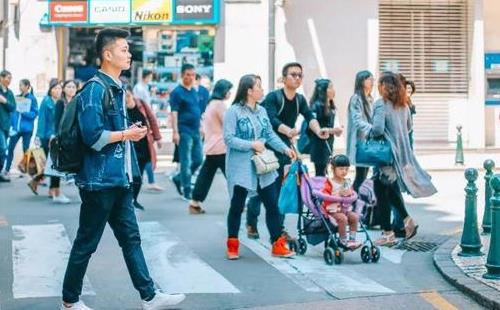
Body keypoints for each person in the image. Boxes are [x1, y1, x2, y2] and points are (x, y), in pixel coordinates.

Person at [60, 28, 185, 310]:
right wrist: (126, 134)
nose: (129, 54)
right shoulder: (94, 89)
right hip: (99, 182)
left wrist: (129, 131)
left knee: (131, 238)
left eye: (129, 50)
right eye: (124, 50)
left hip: (120, 179)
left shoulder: (118, 88)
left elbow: (112, 132)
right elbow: (93, 137)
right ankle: (69, 301)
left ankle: (149, 296)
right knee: (87, 242)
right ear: (107, 54)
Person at [245, 62, 328, 239]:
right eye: (293, 74)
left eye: (300, 75)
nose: (297, 78)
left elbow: (309, 116)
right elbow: (270, 120)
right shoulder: (274, 97)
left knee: (279, 190)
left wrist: (319, 130)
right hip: (266, 148)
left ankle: (279, 230)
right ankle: (251, 222)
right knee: (262, 190)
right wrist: (287, 131)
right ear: (283, 78)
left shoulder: (300, 100)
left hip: (285, 151)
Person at [224, 74, 296, 260]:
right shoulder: (234, 111)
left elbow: (270, 134)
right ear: (249, 91)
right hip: (242, 167)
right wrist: (251, 145)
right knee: (237, 206)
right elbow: (229, 138)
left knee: (273, 204)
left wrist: (285, 149)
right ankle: (232, 243)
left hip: (264, 167)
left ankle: (277, 244)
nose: (262, 90)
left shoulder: (262, 111)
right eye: (259, 86)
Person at [371, 72, 437, 246]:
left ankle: (388, 234)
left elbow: (377, 130)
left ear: (383, 87)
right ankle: (407, 222)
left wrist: (370, 130)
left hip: (385, 155)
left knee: (381, 192)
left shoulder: (380, 104)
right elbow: (408, 128)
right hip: (401, 154)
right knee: (390, 190)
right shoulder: (404, 105)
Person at [188, 79, 232, 214]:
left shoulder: (210, 104)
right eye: (228, 90)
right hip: (221, 147)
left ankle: (195, 202)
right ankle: (239, 202)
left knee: (205, 175)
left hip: (211, 146)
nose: (230, 93)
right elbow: (228, 124)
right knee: (233, 175)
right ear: (223, 91)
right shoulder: (219, 105)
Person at [125, 85, 162, 211]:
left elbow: (152, 119)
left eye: (128, 95)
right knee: (134, 175)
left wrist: (157, 137)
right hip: (131, 145)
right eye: (123, 95)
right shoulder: (120, 108)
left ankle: (134, 199)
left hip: (145, 143)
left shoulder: (141, 103)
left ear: (132, 94)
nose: (126, 98)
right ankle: (129, 201)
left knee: (140, 175)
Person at [170, 63, 204, 201]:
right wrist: (175, 132)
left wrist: (201, 126)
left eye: (193, 75)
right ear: (182, 75)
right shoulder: (177, 92)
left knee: (198, 159)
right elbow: (174, 113)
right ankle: (187, 189)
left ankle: (179, 178)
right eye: (188, 75)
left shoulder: (194, 92)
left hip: (196, 130)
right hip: (184, 131)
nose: (190, 77)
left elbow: (197, 112)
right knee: (185, 161)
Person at [321, 154, 361, 249]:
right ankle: (342, 239)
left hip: (345, 209)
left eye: (346, 169)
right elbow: (324, 195)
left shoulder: (346, 182)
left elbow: (351, 193)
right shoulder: (329, 182)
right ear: (333, 169)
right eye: (341, 169)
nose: (344, 171)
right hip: (333, 211)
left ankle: (352, 239)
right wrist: (337, 195)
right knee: (342, 218)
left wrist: (350, 193)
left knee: (354, 217)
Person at [133, 69, 164, 192]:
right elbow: (145, 107)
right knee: (146, 157)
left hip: (145, 123)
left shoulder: (143, 87)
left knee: (147, 157)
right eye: (150, 76)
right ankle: (150, 181)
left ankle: (151, 181)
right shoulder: (139, 89)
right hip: (142, 124)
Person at [346, 70, 375, 193]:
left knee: (363, 176)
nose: (372, 81)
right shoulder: (356, 99)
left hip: (368, 143)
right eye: (369, 79)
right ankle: (353, 204)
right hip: (360, 143)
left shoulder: (370, 98)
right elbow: (357, 121)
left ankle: (356, 204)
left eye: (373, 79)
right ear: (362, 81)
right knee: (360, 177)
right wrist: (373, 129)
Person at [308, 79, 343, 176]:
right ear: (323, 90)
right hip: (319, 146)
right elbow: (311, 126)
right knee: (320, 174)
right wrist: (332, 130)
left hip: (328, 144)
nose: (333, 90)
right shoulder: (316, 106)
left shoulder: (331, 106)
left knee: (325, 172)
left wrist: (337, 130)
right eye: (330, 87)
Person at [4, 79, 38, 175]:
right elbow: (12, 113)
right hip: (16, 129)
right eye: (19, 85)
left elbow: (35, 113)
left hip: (27, 129)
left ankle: (25, 170)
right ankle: (7, 169)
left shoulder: (32, 98)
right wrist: (11, 125)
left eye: (22, 85)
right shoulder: (16, 97)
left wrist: (25, 112)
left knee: (26, 149)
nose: (20, 87)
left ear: (27, 86)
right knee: (10, 148)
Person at [0, 70, 16, 182]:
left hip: (5, 125)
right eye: (8, 78)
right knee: (3, 148)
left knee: (2, 150)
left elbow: (13, 107)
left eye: (11, 78)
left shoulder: (9, 93)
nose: (9, 80)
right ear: (1, 77)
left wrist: (4, 101)